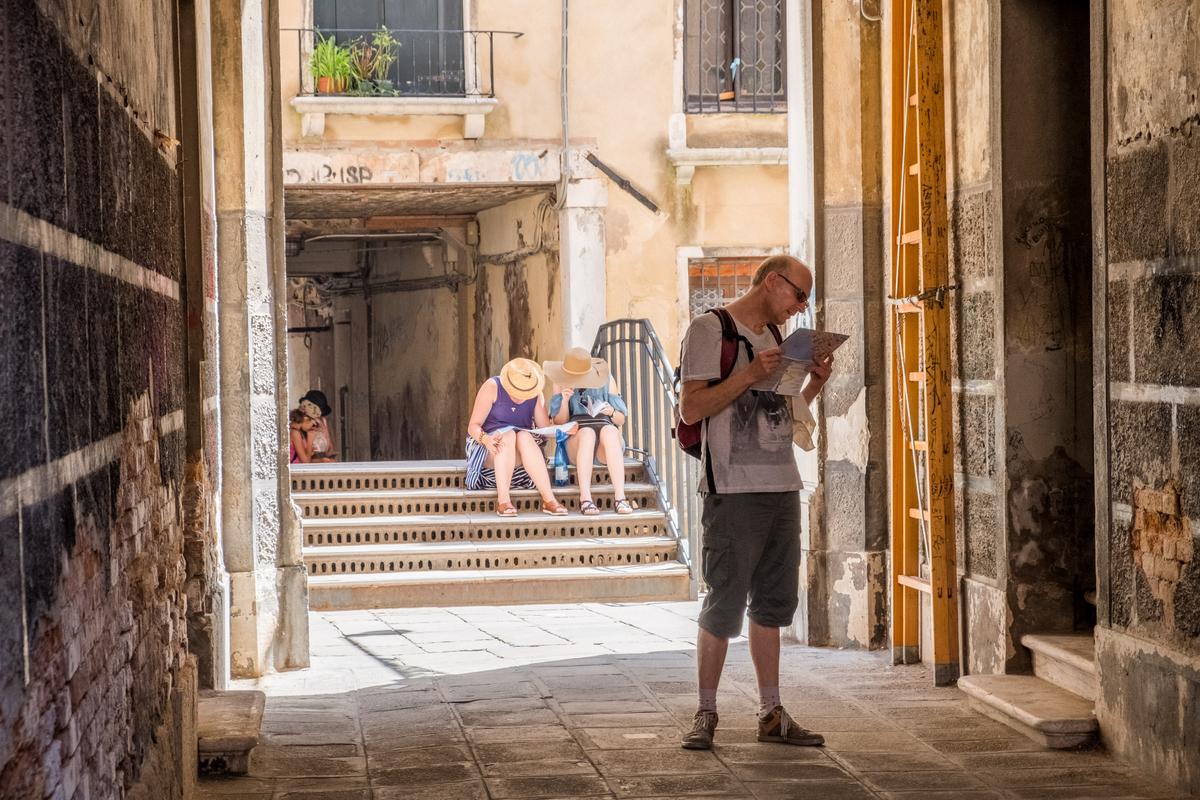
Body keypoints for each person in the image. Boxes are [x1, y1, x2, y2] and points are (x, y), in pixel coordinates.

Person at [677, 254, 834, 751]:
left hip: (781, 485)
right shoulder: (711, 329)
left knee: (773, 603)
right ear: (773, 282)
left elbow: (779, 411)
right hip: (732, 487)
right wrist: (747, 374)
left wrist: (814, 383)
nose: (801, 306)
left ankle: (771, 712)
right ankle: (706, 711)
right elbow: (692, 406)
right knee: (723, 603)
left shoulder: (775, 339)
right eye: (798, 295)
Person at [466, 358, 570, 517]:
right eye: (518, 392)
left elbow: (544, 429)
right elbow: (473, 426)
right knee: (508, 436)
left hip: (519, 456)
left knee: (523, 436)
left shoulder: (535, 394)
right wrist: (486, 439)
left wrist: (563, 428)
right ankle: (503, 501)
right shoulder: (492, 387)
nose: (522, 397)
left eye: (525, 393)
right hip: (489, 448)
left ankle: (549, 500)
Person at [545, 347, 633, 515]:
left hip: (604, 443)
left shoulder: (606, 379)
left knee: (610, 431)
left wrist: (612, 412)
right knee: (587, 433)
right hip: (577, 440)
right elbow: (559, 422)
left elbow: (621, 419)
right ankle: (585, 499)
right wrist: (564, 400)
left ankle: (620, 498)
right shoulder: (560, 382)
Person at [299, 389, 336, 461]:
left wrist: (330, 458)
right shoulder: (301, 423)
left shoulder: (322, 420)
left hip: (324, 460)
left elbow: (330, 446)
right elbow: (305, 459)